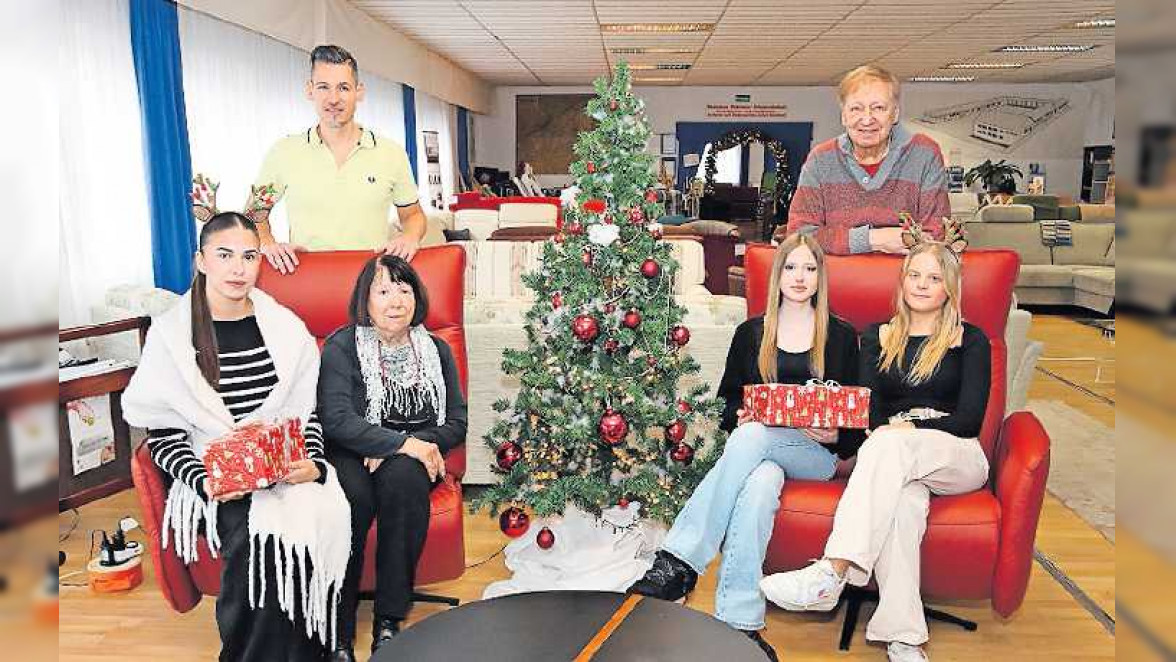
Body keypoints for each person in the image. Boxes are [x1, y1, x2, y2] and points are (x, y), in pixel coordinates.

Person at [123, 212, 351, 662]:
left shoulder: (285, 328)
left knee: (313, 519)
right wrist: (207, 481)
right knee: (254, 540)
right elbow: (163, 437)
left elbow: (307, 414)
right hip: (208, 472)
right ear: (202, 260)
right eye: (224, 255)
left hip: (281, 464)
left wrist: (311, 461)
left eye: (249, 256)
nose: (238, 268)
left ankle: (310, 652)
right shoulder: (171, 335)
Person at [628, 233, 864, 661]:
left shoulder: (843, 336)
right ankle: (741, 625)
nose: (800, 277)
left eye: (810, 268)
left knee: (753, 439)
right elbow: (727, 403)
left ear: (821, 277)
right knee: (758, 483)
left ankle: (680, 559)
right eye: (791, 267)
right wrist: (739, 414)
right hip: (760, 454)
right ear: (777, 275)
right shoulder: (751, 332)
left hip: (816, 456)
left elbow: (856, 420)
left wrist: (834, 435)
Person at [759, 226, 990, 662]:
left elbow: (968, 419)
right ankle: (904, 638)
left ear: (949, 289)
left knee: (885, 444)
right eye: (915, 275)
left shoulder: (969, 339)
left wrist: (906, 431)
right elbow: (868, 411)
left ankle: (834, 570)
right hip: (895, 456)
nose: (922, 285)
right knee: (902, 507)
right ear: (901, 281)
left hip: (955, 455)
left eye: (934, 278)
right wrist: (893, 431)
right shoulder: (878, 336)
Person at [317, 255, 468, 660]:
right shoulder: (341, 346)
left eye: (404, 289)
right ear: (364, 301)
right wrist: (399, 444)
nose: (396, 300)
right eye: (383, 291)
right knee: (352, 499)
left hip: (412, 457)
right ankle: (337, 630)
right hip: (350, 452)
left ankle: (388, 619)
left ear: (417, 297)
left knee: (403, 481)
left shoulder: (436, 349)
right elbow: (335, 419)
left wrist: (407, 445)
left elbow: (456, 423)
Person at [254, 44, 428, 274]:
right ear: (310, 90)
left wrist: (409, 237)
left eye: (343, 88)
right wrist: (267, 244)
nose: (333, 99)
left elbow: (413, 215)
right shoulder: (283, 152)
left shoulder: (391, 153)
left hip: (371, 283)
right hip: (307, 281)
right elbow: (254, 213)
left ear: (359, 92)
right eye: (323, 87)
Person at [786, 65, 950, 255]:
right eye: (856, 109)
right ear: (844, 116)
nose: (866, 119)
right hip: (838, 280)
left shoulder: (925, 154)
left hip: (906, 280)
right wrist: (873, 239)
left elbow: (936, 236)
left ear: (895, 114)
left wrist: (837, 240)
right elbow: (799, 236)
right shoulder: (821, 159)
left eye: (878, 108)